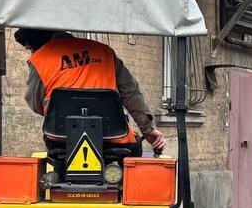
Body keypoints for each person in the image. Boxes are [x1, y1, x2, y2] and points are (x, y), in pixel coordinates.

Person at [13, 29, 167, 153]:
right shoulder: (104, 51)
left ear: (37, 44)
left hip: (61, 139)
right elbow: (131, 92)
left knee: (55, 158)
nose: (31, 52)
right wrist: (148, 130)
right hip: (113, 138)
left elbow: (35, 103)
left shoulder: (41, 59)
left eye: (30, 48)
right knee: (134, 148)